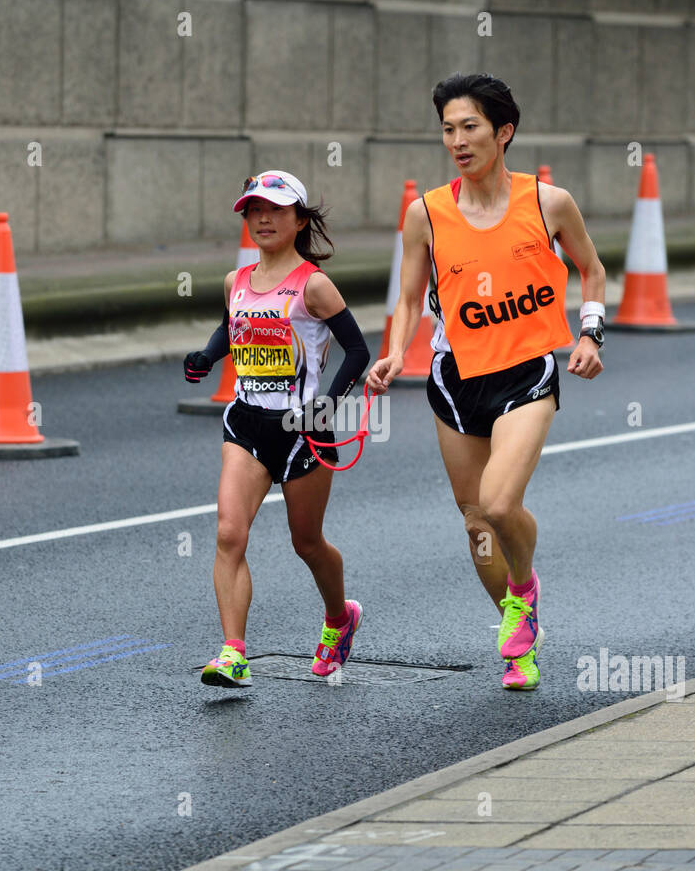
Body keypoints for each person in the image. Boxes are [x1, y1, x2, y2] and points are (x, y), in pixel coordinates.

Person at [369, 73, 605, 690]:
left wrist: (590, 334)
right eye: (447, 129)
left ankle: (524, 594)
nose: (457, 140)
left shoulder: (547, 202)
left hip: (526, 371)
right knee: (477, 523)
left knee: (501, 503)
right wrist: (395, 352)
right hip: (454, 382)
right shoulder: (427, 214)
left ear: (503, 132)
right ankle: (519, 640)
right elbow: (410, 296)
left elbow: (593, 270)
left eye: (469, 126)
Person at [185, 170, 370, 688]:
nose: (262, 218)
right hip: (246, 422)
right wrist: (207, 354)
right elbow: (233, 326)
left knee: (306, 543)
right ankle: (233, 652)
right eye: (253, 210)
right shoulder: (236, 281)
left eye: (275, 210)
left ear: (299, 220)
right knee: (228, 533)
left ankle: (339, 617)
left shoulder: (313, 284)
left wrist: (328, 408)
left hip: (302, 429)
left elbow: (357, 350)